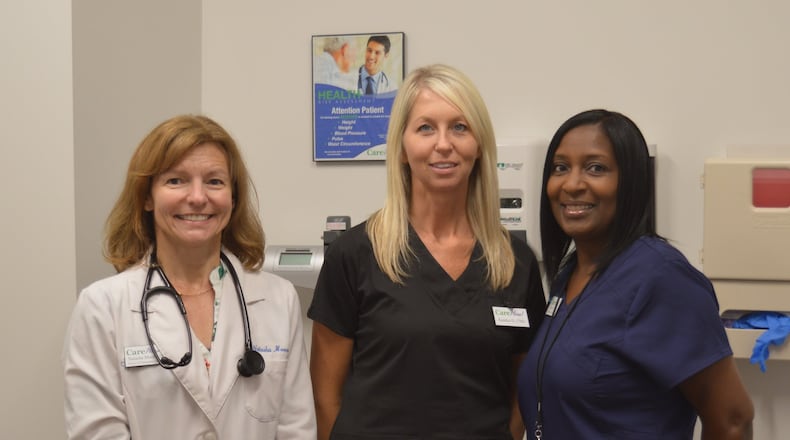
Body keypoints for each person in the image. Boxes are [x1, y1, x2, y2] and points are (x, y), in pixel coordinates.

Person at [308, 64, 546, 440]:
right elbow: (326, 397)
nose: (443, 143)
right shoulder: (355, 254)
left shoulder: (515, 262)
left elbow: (522, 391)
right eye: (425, 128)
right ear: (402, 148)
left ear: (479, 144)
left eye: (460, 127)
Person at [62, 115, 316, 439]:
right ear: (147, 197)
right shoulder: (102, 307)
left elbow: (296, 428)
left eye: (214, 181)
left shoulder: (279, 298)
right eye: (176, 181)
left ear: (233, 198)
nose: (197, 197)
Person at [516, 109, 754, 439]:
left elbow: (733, 420)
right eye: (560, 168)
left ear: (631, 182)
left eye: (595, 168)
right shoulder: (568, 276)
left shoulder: (661, 278)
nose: (571, 184)